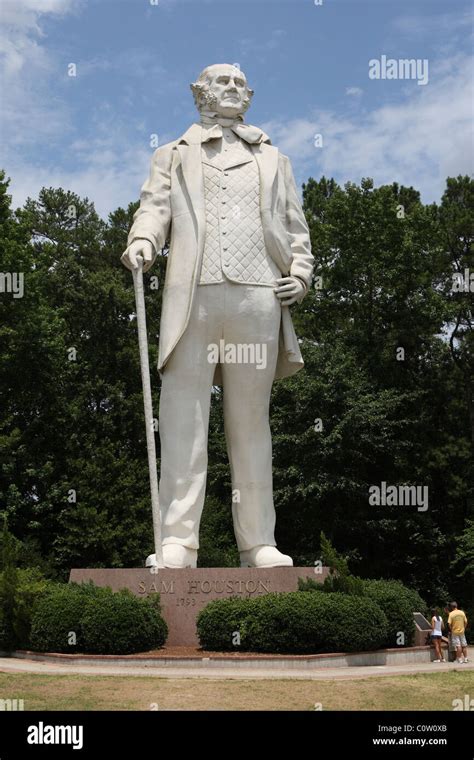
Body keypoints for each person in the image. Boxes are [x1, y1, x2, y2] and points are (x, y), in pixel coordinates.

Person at [121, 64, 314, 568]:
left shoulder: (275, 159)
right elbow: (154, 208)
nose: (231, 89)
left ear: (248, 96)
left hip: (258, 298)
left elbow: (296, 229)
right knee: (184, 421)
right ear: (199, 93)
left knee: (250, 423)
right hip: (194, 300)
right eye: (221, 81)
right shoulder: (172, 154)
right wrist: (143, 241)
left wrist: (302, 272)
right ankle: (179, 542)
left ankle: (258, 543)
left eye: (239, 83)